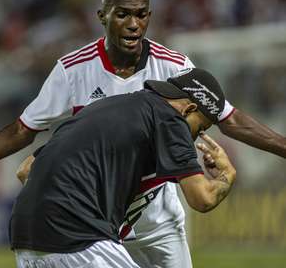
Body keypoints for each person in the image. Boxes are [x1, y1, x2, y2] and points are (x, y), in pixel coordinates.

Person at [0, 0, 286, 268]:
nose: (133, 25)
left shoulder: (174, 66)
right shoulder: (73, 70)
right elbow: (23, 129)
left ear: (150, 15)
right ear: (102, 15)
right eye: (123, 15)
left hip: (158, 222)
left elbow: (228, 118)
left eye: (141, 15)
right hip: (97, 218)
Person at [12, 68, 236, 268]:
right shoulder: (170, 119)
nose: (195, 136)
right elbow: (202, 199)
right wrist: (227, 175)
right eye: (201, 127)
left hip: (25, 240)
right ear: (189, 109)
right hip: (79, 237)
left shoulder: (105, 106)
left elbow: (25, 169)